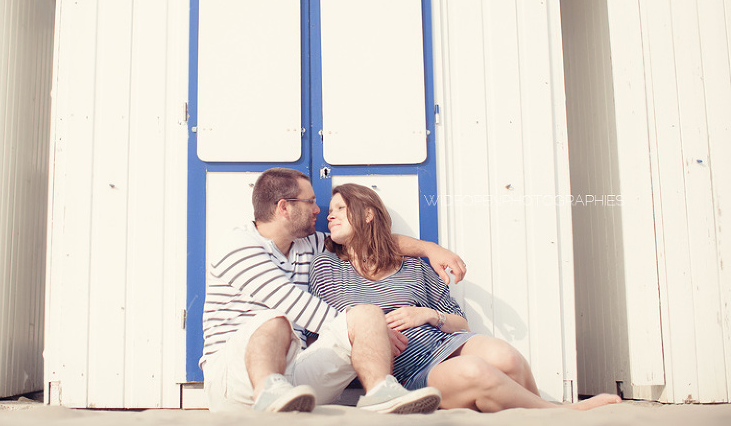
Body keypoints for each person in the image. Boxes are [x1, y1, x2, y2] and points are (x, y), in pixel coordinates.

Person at [309, 183, 623, 413]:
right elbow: (324, 327)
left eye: (340, 208)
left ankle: (537, 412)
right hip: (406, 369)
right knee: (477, 372)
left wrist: (429, 315)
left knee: (507, 358)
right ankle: (561, 413)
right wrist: (373, 334)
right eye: (330, 210)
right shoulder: (327, 266)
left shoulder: (415, 265)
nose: (329, 216)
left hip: (441, 341)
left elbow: (461, 322)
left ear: (367, 215)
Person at [200, 168, 466, 414]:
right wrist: (375, 333)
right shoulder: (238, 244)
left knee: (365, 313)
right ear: (284, 207)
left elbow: (368, 241)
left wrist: (430, 249)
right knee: (274, 320)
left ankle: (380, 394)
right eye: (310, 201)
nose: (319, 210)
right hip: (234, 376)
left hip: (295, 377)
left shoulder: (311, 245)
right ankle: (267, 391)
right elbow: (290, 303)